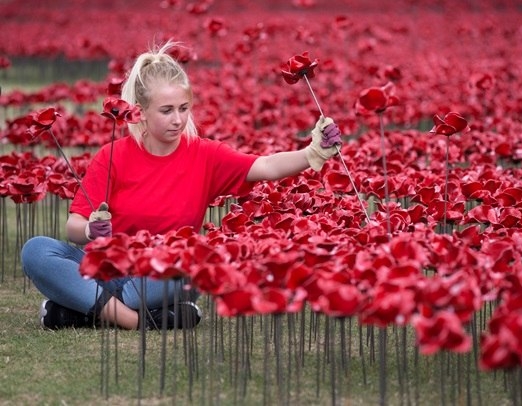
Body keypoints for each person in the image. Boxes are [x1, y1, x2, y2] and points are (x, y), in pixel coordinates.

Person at [20, 41, 342, 331]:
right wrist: (91, 230)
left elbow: (266, 166)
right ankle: (135, 318)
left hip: (160, 276)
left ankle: (81, 310)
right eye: (167, 111)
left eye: (183, 109)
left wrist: (312, 152)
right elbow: (73, 227)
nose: (178, 119)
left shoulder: (204, 154)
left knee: (200, 264)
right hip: (103, 270)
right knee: (36, 250)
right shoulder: (113, 155)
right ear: (141, 113)